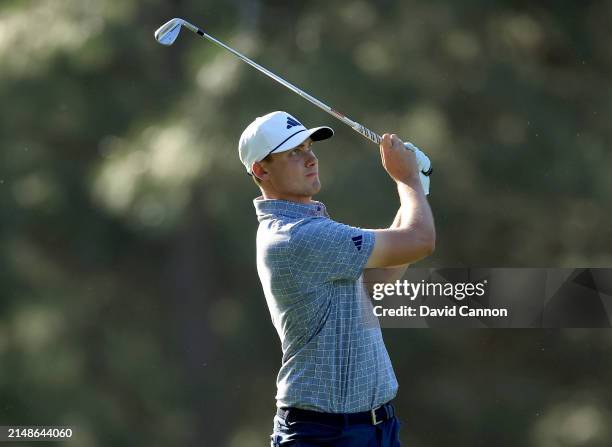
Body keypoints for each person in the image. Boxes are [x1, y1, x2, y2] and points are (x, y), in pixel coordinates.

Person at [238, 111, 435, 446]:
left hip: (376, 428)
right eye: (293, 153)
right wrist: (408, 181)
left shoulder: (308, 229)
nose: (310, 158)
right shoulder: (297, 235)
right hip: (325, 435)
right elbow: (421, 241)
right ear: (261, 169)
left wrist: (418, 190)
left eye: (308, 147)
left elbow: (376, 279)